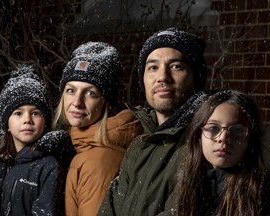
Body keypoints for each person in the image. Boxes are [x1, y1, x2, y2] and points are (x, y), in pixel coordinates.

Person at [98, 27, 209, 215]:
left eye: (176, 66)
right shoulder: (138, 146)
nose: (162, 77)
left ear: (195, 77)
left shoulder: (206, 143)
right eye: (153, 67)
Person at [52, 41, 143, 216]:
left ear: (105, 102)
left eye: (90, 93)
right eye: (71, 90)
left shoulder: (97, 162)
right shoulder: (86, 147)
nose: (77, 102)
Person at [0, 64, 67, 215]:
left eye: (35, 113)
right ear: (6, 123)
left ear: (45, 121)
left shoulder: (49, 167)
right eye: (18, 113)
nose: (27, 119)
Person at [173, 90, 270, 216]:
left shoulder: (263, 192)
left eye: (237, 130)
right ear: (198, 135)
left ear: (250, 139)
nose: (223, 138)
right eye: (213, 128)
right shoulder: (187, 183)